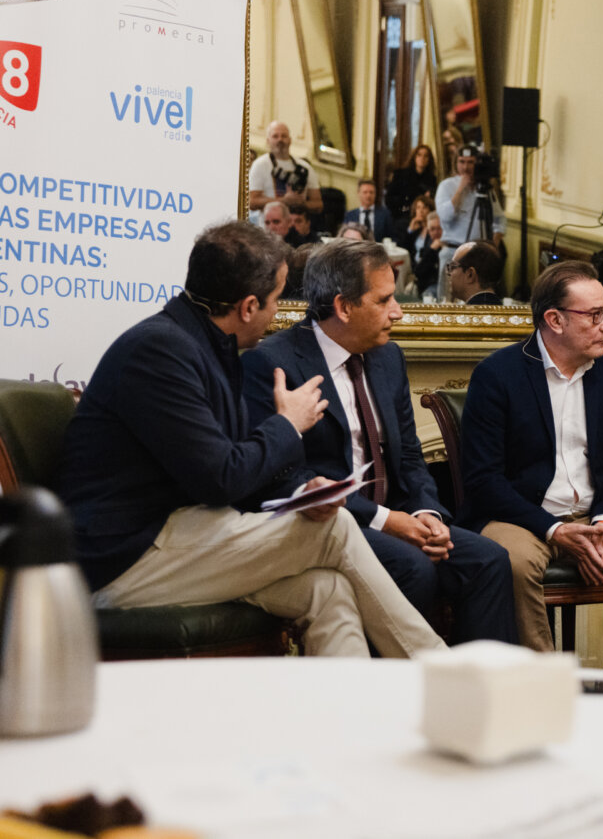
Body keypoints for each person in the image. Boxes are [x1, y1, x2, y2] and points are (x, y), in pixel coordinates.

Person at [58, 221, 444, 658]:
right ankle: (440, 676)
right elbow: (221, 478)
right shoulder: (159, 351)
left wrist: (304, 491)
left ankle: (347, 718)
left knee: (327, 588)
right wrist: (288, 423)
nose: (278, 314)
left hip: (183, 535)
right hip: (123, 557)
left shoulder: (206, 345)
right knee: (334, 530)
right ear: (247, 306)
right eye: (277, 300)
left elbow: (234, 461)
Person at [242, 240, 518, 644]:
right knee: (413, 567)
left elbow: (409, 455)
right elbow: (286, 476)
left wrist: (429, 515)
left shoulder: (388, 358)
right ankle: (402, 696)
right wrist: (388, 522)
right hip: (333, 523)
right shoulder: (272, 363)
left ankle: (478, 694)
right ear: (343, 307)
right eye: (385, 299)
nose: (398, 311)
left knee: (489, 560)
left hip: (401, 513)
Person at [458, 261, 603, 670]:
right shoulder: (497, 374)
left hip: (594, 517)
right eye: (595, 315)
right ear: (554, 319)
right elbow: (483, 480)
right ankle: (543, 683)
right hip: (521, 517)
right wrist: (554, 529)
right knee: (511, 563)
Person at [435, 146, 506, 292]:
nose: (465, 167)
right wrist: (461, 189)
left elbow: (499, 220)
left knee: (475, 300)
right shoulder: (447, 186)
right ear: (456, 163)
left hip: (477, 255)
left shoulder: (485, 190)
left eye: (470, 162)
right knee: (446, 301)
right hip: (452, 252)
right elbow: (446, 216)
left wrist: (494, 244)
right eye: (461, 162)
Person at [248, 121, 322, 220]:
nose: (280, 140)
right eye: (275, 136)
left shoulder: (305, 167)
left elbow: (318, 204)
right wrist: (283, 201)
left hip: (297, 226)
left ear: (290, 140)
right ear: (268, 141)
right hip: (269, 227)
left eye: (284, 136)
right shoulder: (260, 165)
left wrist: (300, 204)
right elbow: (252, 202)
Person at [395, 199, 443, 296]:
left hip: (429, 276)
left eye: (424, 207)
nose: (421, 211)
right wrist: (410, 230)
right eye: (418, 208)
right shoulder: (417, 230)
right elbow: (403, 248)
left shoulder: (436, 235)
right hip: (416, 268)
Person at [386, 144, 439, 232]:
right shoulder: (400, 175)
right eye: (419, 155)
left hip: (423, 220)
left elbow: (432, 203)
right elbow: (389, 199)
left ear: (429, 160)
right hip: (402, 217)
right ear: (414, 157)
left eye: (426, 156)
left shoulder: (432, 180)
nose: (422, 158)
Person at [448, 240, 503, 305]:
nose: (449, 273)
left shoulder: (468, 314)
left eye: (452, 267)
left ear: (470, 275)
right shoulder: (505, 310)